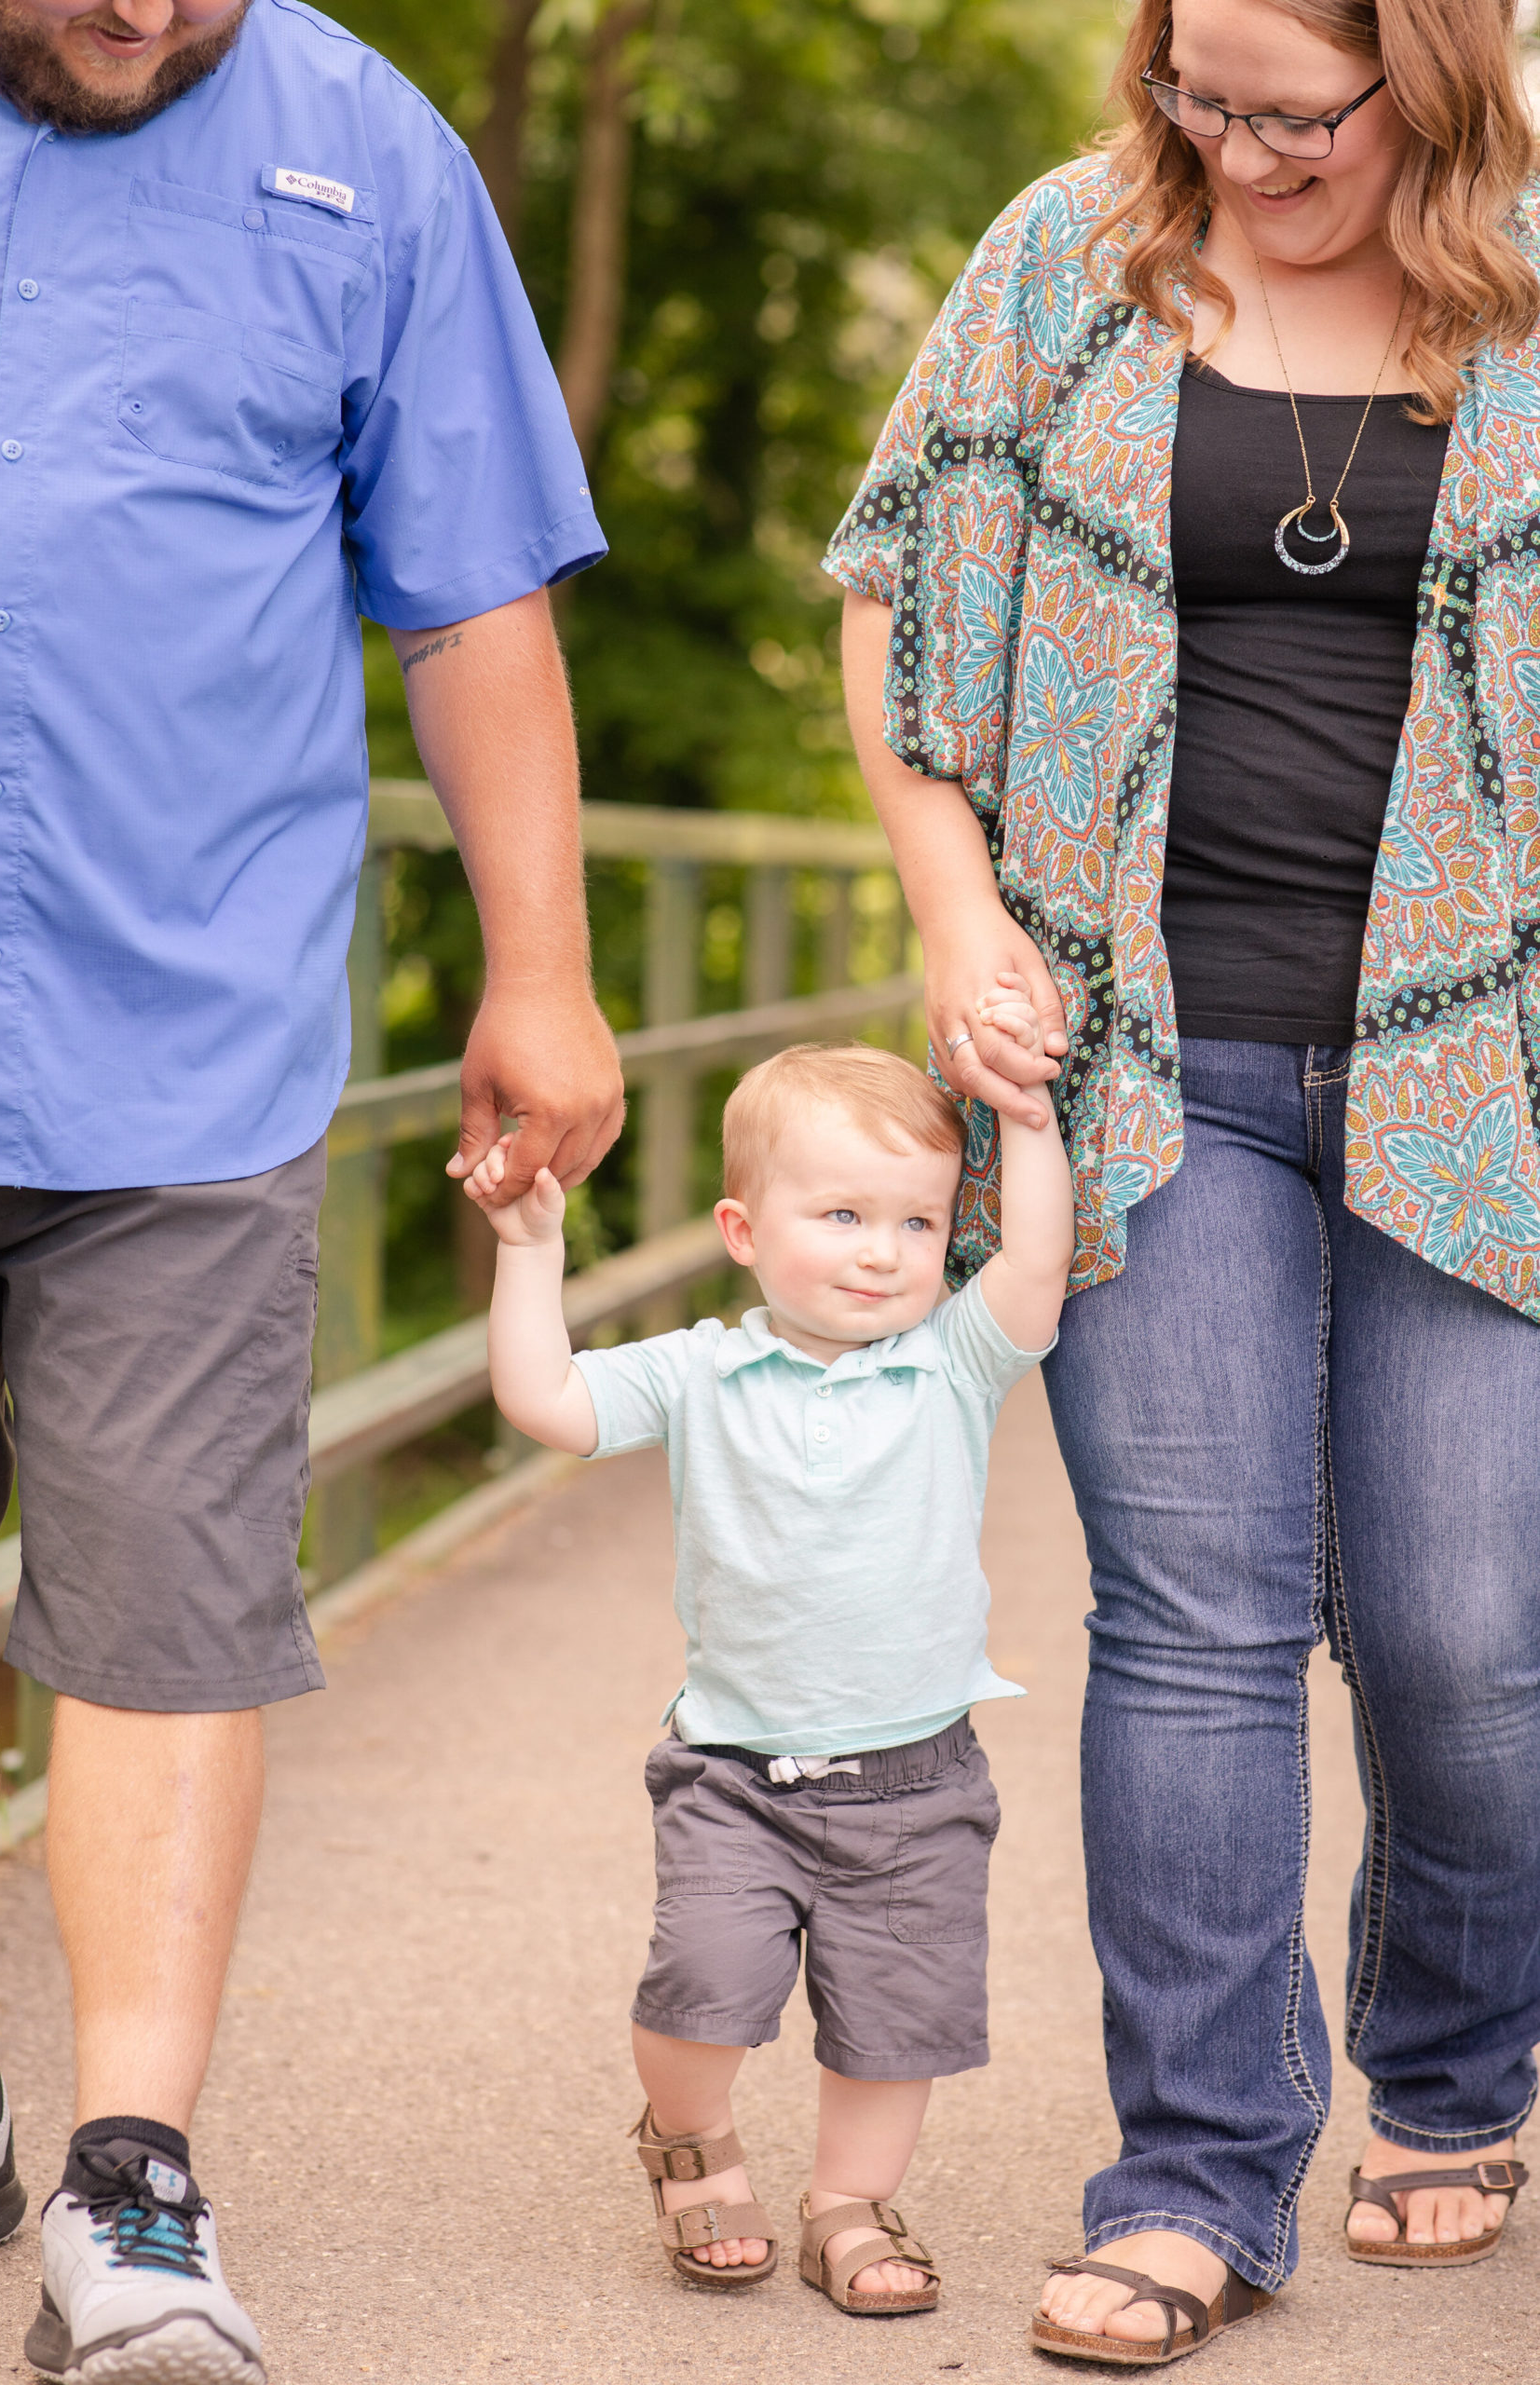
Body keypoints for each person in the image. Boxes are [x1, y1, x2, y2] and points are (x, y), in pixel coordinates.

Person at [825, 0, 1540, 2364]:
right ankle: (1196, 2170)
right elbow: (891, 583)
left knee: (1458, 1641)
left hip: (1483, 1067)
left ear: (1422, 69)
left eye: (1287, 107)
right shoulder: (1072, 256)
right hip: (1142, 1056)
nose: (1232, 147)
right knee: (1197, 1621)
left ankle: (1449, 2071)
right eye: (1192, 95)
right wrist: (951, 908)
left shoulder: (1530, 282)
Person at [0, 0, 624, 2375]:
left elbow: (463, 594)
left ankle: (128, 2189)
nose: (143, 10)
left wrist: (537, 967)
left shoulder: (364, 150)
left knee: (154, 1607)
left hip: (186, 1033)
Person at [464, 1035, 1072, 2315]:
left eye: (914, 1221)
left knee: (894, 2027)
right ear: (743, 1229)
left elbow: (1031, 1264)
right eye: (841, 1214)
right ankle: (690, 2141)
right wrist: (531, 1257)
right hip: (738, 1769)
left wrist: (1024, 1117)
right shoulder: (702, 1371)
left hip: (917, 1778)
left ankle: (848, 2205)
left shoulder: (951, 1364)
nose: (880, 1250)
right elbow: (549, 1401)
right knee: (704, 1987)